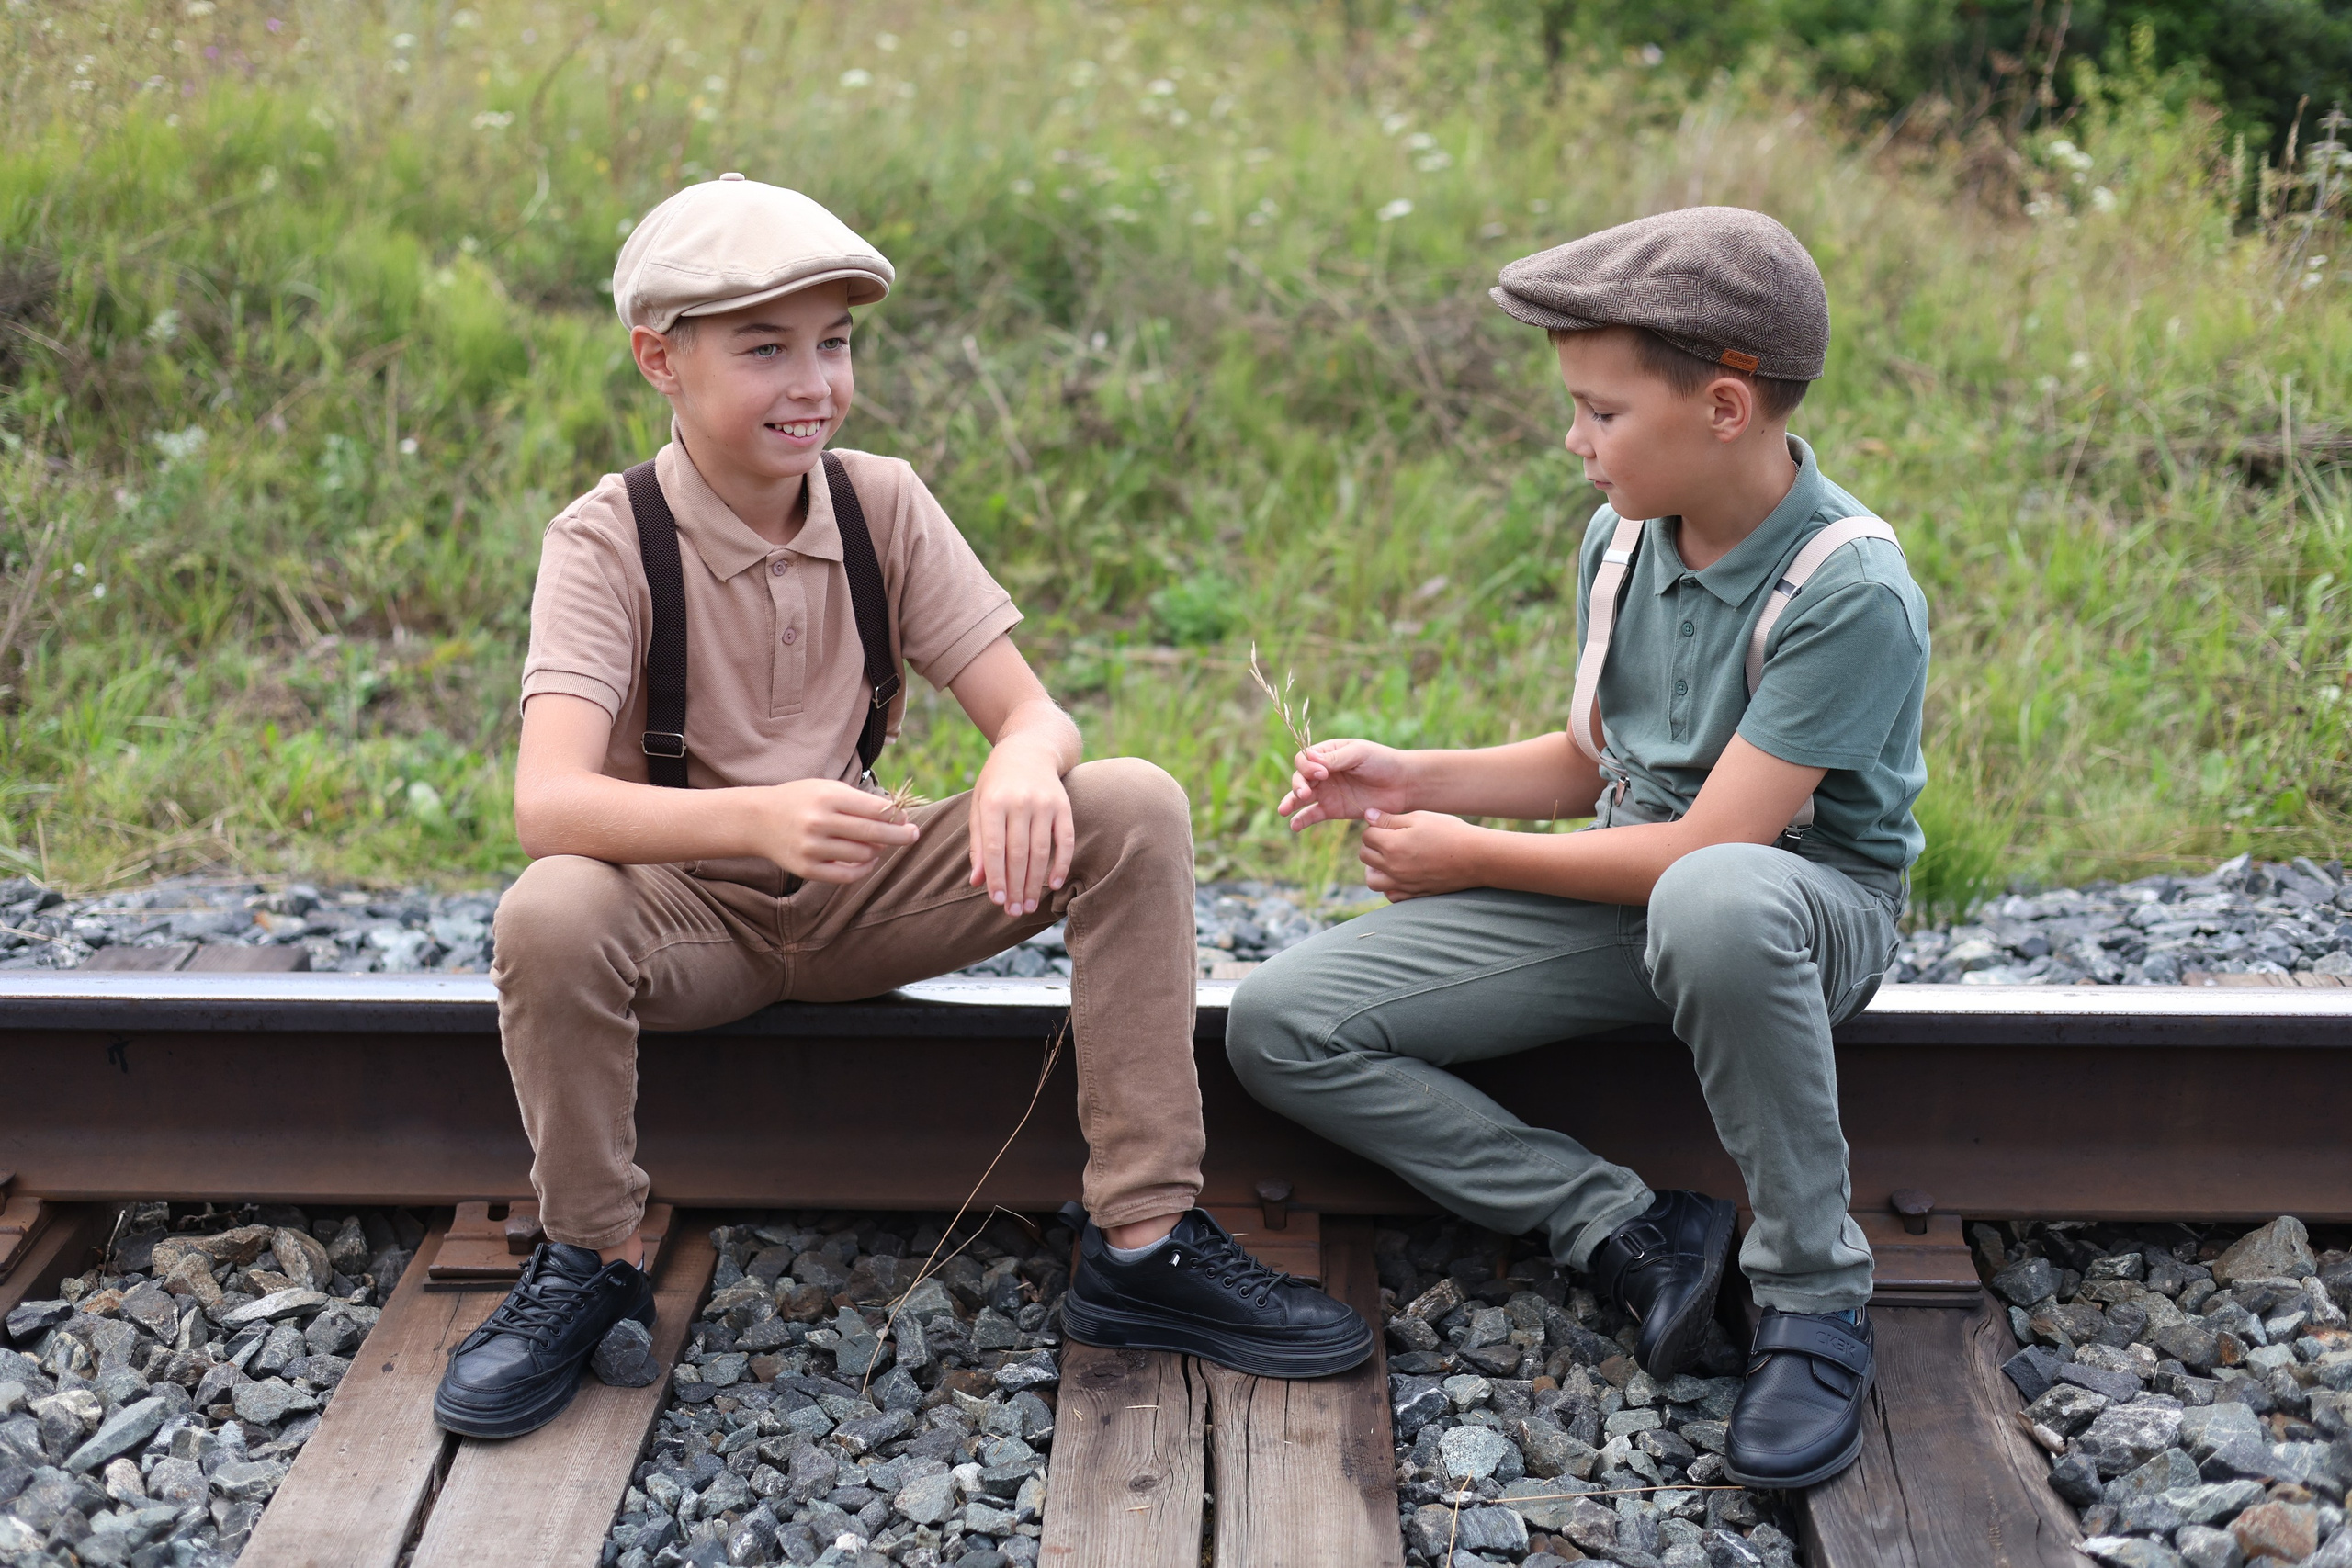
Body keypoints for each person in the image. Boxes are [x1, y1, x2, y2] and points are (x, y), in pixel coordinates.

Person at [433, 175, 1369, 1440]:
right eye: (766, 349)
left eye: (836, 344)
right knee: (548, 910)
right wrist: (751, 823)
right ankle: (590, 1261)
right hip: (689, 917)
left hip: (866, 890)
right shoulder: (606, 541)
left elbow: (1033, 713)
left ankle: (1146, 1245)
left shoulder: (881, 502)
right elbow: (548, 802)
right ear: (661, 359)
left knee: (1131, 799)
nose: (812, 381)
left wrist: (1027, 763)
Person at [1225, 207, 1929, 1489]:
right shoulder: (1623, 543)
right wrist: (1415, 774)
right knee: (1277, 1022)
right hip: (1637, 886)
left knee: (1716, 902)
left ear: (1724, 409)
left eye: (1601, 412)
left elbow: (1714, 847)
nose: (1574, 440)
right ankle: (1628, 1228)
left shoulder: (1849, 589)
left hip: (1791, 912)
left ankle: (1814, 1300)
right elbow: (1593, 766)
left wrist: (1472, 855)